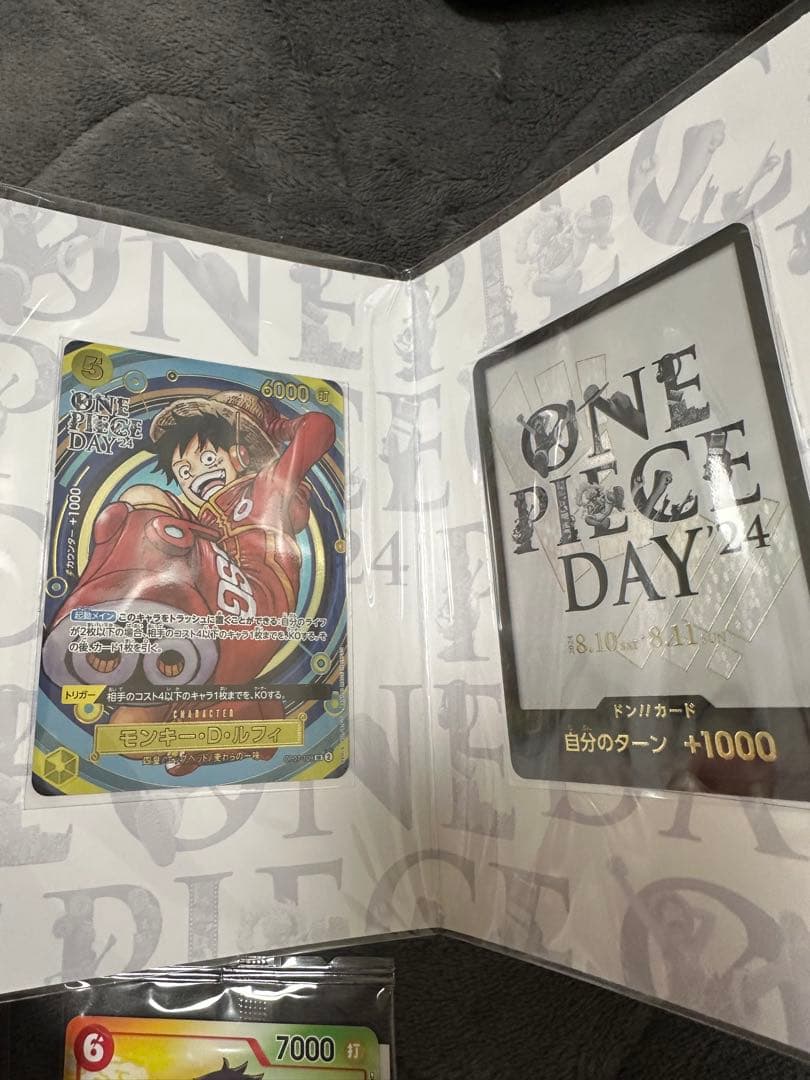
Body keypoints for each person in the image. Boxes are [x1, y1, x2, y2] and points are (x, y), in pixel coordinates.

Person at [43, 389, 335, 776]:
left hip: (252, 607)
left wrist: (277, 427)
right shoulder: (205, 522)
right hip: (213, 640)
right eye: (184, 471)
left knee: (146, 500)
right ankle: (249, 712)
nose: (196, 475)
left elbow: (320, 425)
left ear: (240, 456)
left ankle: (112, 615)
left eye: (207, 459)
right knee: (128, 730)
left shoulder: (267, 486)